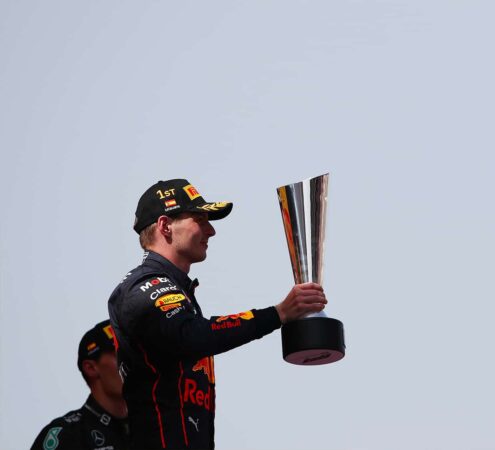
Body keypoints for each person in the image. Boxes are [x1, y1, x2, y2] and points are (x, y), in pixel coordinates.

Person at [107, 179, 326, 450]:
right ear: (165, 226)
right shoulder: (144, 286)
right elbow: (192, 336)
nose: (211, 231)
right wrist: (278, 314)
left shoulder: (176, 290)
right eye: (200, 219)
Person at [31, 320, 130, 450]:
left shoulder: (154, 426)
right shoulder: (66, 435)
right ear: (91, 368)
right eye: (119, 354)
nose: (131, 362)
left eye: (132, 353)